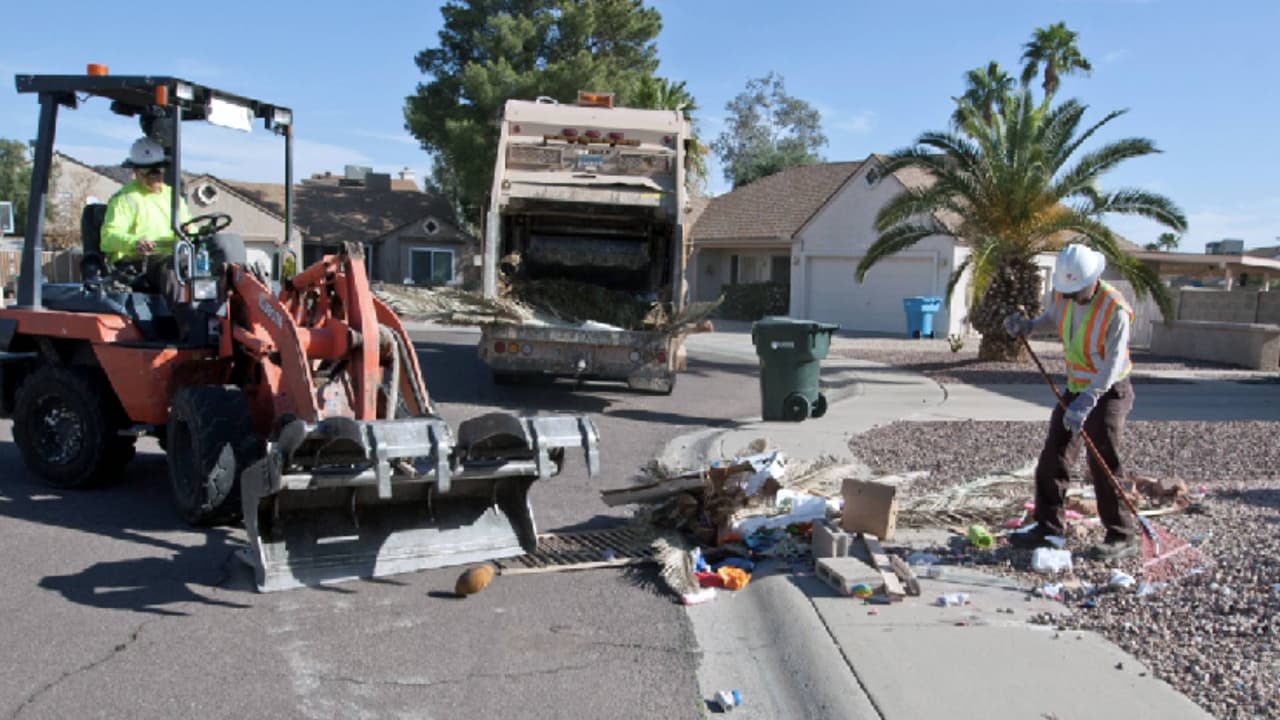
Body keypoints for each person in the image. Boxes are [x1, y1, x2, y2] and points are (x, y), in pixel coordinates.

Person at [1003, 243, 1139, 561]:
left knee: (1103, 460)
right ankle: (1048, 528)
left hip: (1108, 391)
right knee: (1054, 456)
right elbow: (1054, 318)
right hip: (1076, 387)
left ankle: (1121, 534)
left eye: (1078, 289)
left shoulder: (1115, 309)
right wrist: (1029, 326)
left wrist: (1088, 400)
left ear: (1094, 278)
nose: (1072, 295)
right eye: (1068, 289)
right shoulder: (1064, 296)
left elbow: (1113, 365)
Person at [99, 136, 192, 307]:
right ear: (135, 171)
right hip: (137, 263)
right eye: (148, 172)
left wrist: (191, 231)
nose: (154, 176)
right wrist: (135, 243)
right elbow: (108, 238)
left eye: (157, 171)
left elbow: (189, 227)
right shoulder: (124, 199)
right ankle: (190, 326)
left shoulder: (172, 196)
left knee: (220, 259)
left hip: (176, 256)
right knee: (174, 266)